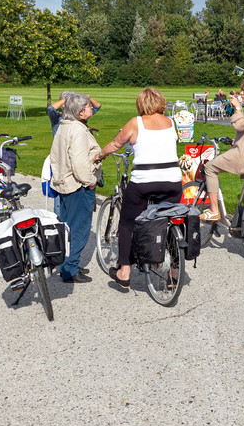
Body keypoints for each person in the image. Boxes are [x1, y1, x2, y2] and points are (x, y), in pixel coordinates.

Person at [94, 88, 182, 289]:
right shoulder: (171, 123)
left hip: (145, 181)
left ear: (141, 104)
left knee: (127, 223)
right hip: (172, 181)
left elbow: (117, 143)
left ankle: (124, 271)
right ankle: (173, 271)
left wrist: (100, 155)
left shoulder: (136, 123)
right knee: (167, 220)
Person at [201, 79, 244, 225]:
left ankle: (214, 210)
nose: (242, 94)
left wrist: (238, 109)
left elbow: (240, 125)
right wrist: (237, 140)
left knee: (210, 168)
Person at [49, 94, 100, 284]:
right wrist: (90, 181)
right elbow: (79, 163)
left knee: (68, 226)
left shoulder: (64, 126)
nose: (91, 109)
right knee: (79, 229)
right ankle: (70, 269)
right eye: (88, 107)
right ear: (80, 112)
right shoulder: (77, 131)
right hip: (78, 186)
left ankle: (69, 264)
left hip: (65, 183)